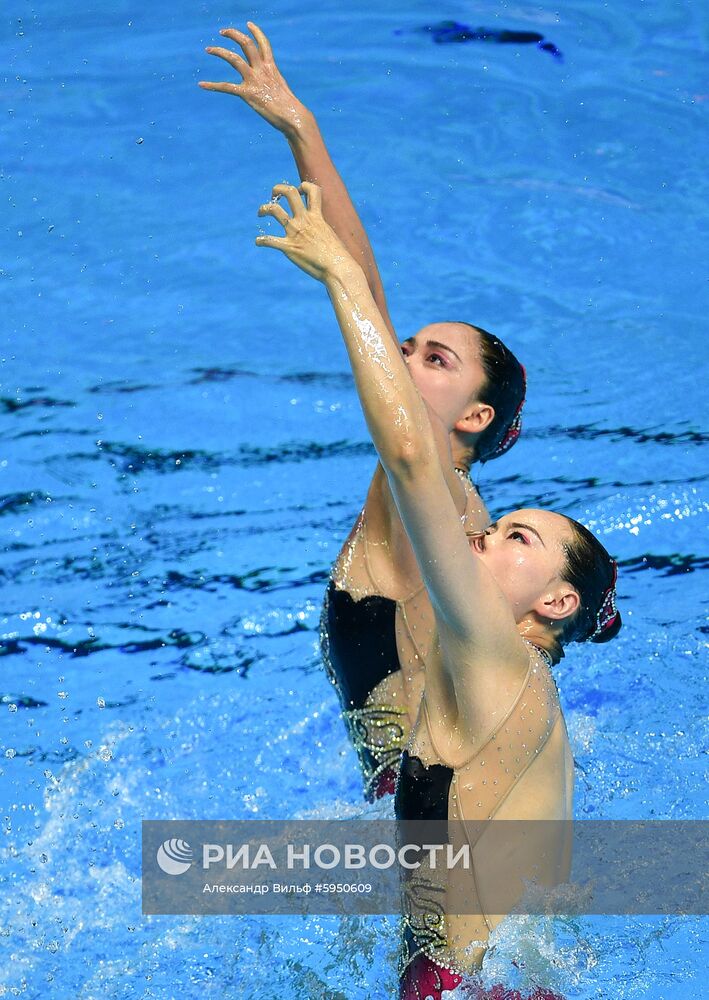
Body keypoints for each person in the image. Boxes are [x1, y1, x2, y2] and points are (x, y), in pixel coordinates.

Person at [254, 181, 621, 999]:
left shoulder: (493, 654)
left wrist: (343, 278)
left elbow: (413, 452)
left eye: (514, 538)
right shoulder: (516, 677)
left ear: (553, 604)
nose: (481, 536)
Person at [200, 24, 526, 800]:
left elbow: (366, 299)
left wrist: (303, 133)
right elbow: (371, 305)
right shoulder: (431, 495)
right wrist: (299, 128)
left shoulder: (434, 490)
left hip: (439, 809)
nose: (404, 354)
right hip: (424, 801)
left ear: (474, 418)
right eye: (409, 346)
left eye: (435, 359)